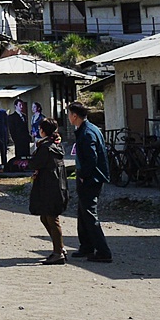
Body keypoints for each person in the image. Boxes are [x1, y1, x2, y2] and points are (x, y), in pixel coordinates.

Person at [68, 101, 113, 262]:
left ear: (75, 116)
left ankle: (103, 251)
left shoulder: (87, 133)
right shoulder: (89, 129)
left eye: (69, 114)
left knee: (89, 213)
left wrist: (83, 175)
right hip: (90, 177)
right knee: (83, 212)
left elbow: (91, 158)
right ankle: (86, 246)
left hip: (91, 178)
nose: (68, 117)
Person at [28, 117, 69, 264]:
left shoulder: (46, 147)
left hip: (49, 187)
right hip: (56, 185)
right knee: (45, 217)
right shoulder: (57, 144)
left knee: (52, 218)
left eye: (40, 128)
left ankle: (58, 253)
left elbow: (34, 163)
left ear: (43, 131)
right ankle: (59, 247)